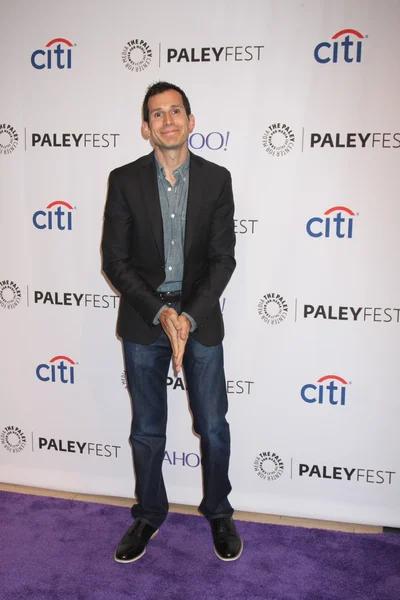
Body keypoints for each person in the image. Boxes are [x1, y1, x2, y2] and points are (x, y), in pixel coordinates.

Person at [101, 81, 242, 563]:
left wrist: (187, 317)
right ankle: (149, 514)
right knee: (146, 429)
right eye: (157, 114)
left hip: (200, 317)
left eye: (176, 111)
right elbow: (114, 261)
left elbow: (224, 259)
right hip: (145, 319)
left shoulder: (218, 179)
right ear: (146, 128)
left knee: (214, 426)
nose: (168, 120)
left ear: (191, 121)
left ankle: (219, 511)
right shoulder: (123, 180)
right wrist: (162, 314)